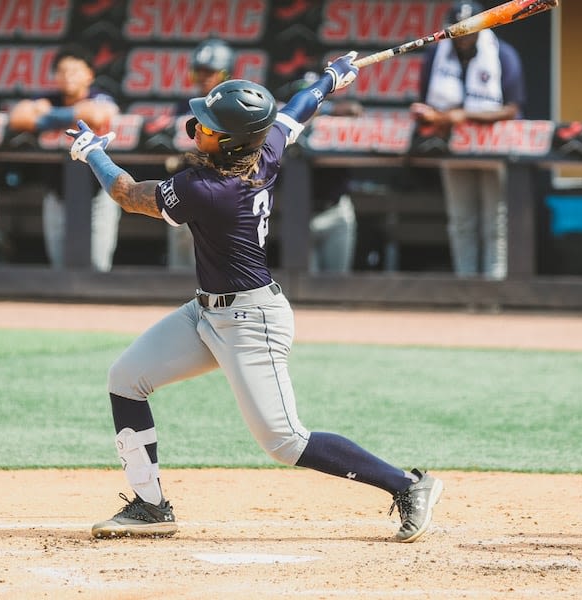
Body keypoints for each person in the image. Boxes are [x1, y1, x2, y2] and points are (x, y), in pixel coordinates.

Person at [64, 53, 443, 542]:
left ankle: (408, 485)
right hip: (206, 313)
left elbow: (128, 194)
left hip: (251, 322)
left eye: (208, 125)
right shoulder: (264, 151)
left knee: (284, 441)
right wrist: (331, 78)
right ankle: (150, 506)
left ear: (229, 142)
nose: (197, 126)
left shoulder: (206, 188)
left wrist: (92, 152)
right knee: (125, 378)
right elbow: (295, 111)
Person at [409, 0, 525, 279]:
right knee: (462, 220)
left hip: (494, 147)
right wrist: (428, 114)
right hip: (453, 148)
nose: (463, 36)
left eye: (469, 29)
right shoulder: (436, 56)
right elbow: (426, 100)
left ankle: (493, 287)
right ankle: (466, 286)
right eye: (458, 30)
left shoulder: (502, 54)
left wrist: (464, 116)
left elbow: (513, 107)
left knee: (494, 221)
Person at [8, 44, 119, 270]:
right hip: (57, 196)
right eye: (62, 71)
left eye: (75, 71)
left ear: (89, 74)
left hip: (97, 197)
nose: (68, 77)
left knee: (98, 266)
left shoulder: (99, 97)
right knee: (59, 267)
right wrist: (67, 115)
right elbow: (17, 118)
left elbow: (97, 115)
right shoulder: (49, 97)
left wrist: (47, 115)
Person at [275, 71, 361, 274]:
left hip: (335, 211)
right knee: (302, 286)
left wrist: (323, 111)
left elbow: (354, 110)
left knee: (336, 284)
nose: (310, 103)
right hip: (297, 215)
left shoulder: (334, 120)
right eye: (304, 97)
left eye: (314, 96)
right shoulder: (281, 127)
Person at [161, 38, 236, 271]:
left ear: (225, 74)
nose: (203, 78)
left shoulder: (236, 103)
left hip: (225, 196)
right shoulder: (187, 105)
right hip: (190, 193)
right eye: (199, 72)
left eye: (209, 72)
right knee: (182, 270)